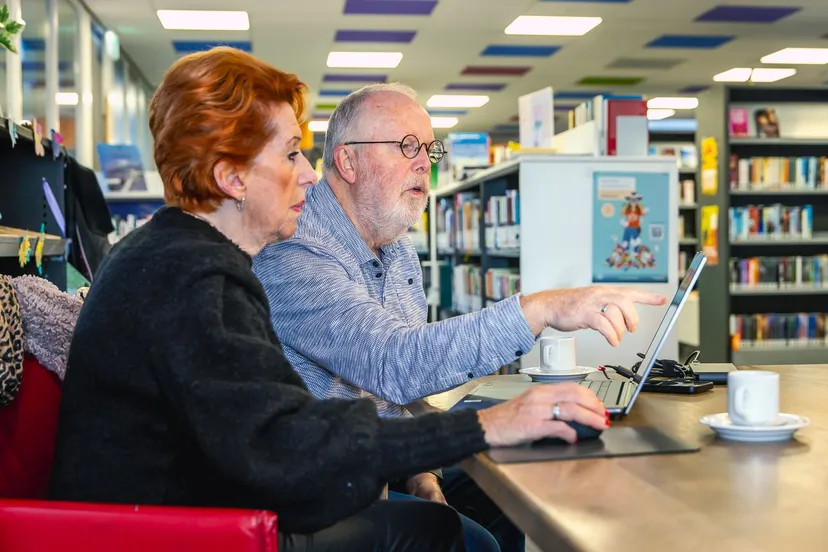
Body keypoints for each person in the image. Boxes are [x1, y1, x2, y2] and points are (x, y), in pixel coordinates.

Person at [47, 47, 612, 552]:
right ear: (232, 178)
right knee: (445, 534)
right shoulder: (194, 277)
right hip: (185, 531)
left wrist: (426, 468)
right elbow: (291, 446)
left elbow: (281, 426)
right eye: (292, 154)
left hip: (214, 501)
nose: (310, 175)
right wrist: (484, 424)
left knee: (490, 502)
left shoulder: (181, 257)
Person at [252, 83, 667, 551]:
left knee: (517, 471)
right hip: (325, 484)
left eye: (428, 148)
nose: (424, 162)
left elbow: (395, 396)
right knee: (475, 539)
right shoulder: (294, 249)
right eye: (406, 146)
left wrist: (422, 473)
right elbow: (393, 362)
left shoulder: (399, 251)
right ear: (347, 162)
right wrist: (541, 307)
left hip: (387, 458)